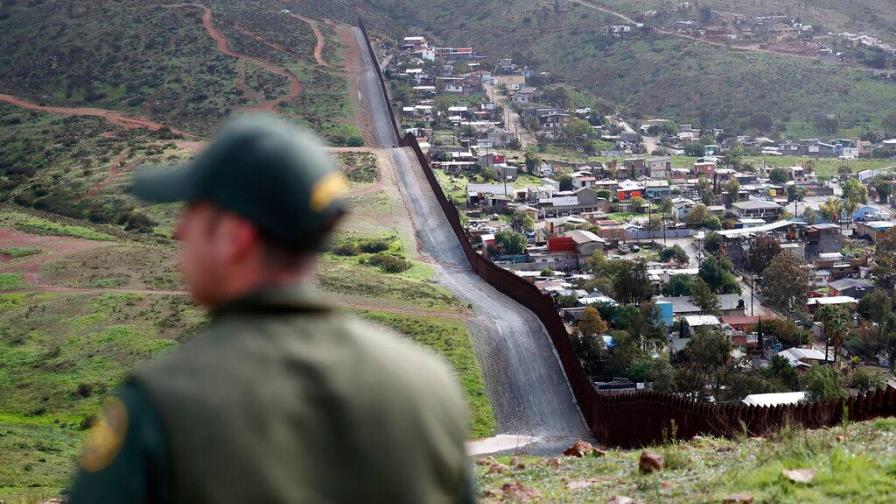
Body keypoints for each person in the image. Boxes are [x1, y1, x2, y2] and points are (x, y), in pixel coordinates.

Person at [69, 114, 474, 503]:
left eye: (192, 210)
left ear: (235, 235)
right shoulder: (429, 385)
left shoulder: (160, 405)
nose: (180, 229)